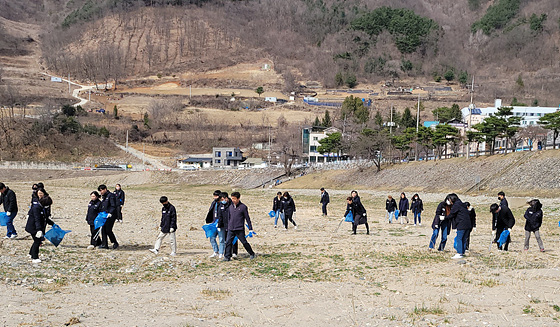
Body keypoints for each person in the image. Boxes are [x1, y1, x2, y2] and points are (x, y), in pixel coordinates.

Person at [223, 192, 256, 261]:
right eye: (232, 198)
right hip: (231, 228)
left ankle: (252, 253)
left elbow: (247, 218)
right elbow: (229, 217)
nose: (233, 200)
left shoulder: (243, 207)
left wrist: (250, 229)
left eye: (234, 199)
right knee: (228, 242)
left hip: (239, 228)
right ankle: (227, 256)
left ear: (238, 198)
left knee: (244, 242)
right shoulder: (230, 206)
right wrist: (227, 226)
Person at [445, 194, 471, 259]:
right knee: (464, 239)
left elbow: (452, 214)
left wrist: (445, 218)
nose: (449, 201)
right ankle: (462, 252)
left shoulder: (456, 205)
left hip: (461, 224)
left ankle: (459, 253)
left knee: (459, 239)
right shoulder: (462, 204)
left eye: (449, 199)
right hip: (468, 224)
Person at [25, 196, 49, 263]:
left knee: (36, 240)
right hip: (33, 227)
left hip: (36, 227)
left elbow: (45, 218)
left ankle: (30, 253)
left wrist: (52, 223)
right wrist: (39, 230)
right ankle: (34, 257)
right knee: (37, 241)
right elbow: (37, 219)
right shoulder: (36, 208)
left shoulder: (41, 208)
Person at [98, 184, 119, 249]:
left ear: (105, 189)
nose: (101, 192)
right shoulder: (104, 197)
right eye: (100, 191)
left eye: (101, 190)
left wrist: (110, 213)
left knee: (108, 230)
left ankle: (115, 242)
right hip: (104, 215)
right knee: (103, 229)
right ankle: (104, 244)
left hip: (111, 216)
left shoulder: (111, 196)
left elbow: (113, 205)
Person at [217, 192, 237, 259]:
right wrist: (219, 225)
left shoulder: (231, 204)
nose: (223, 201)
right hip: (224, 225)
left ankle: (234, 252)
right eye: (221, 200)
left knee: (233, 239)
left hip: (231, 224)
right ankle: (228, 253)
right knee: (226, 240)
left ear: (226, 198)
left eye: (223, 199)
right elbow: (220, 216)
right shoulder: (220, 205)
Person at [205, 190, 221, 257]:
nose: (214, 197)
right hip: (213, 223)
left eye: (216, 196)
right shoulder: (213, 203)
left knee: (222, 239)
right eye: (214, 196)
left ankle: (222, 252)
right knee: (212, 237)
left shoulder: (223, 204)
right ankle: (215, 251)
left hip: (221, 224)